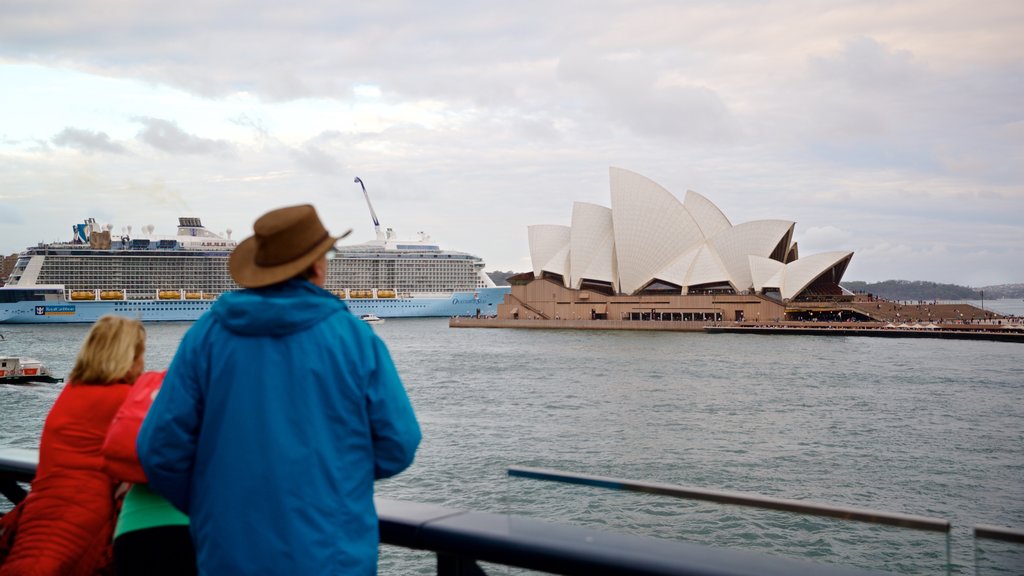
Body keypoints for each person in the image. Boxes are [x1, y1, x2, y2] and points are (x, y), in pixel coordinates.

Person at [137, 204, 421, 575]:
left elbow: (158, 448)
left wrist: (212, 504)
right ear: (317, 265)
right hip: (333, 554)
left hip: (229, 554)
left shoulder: (205, 336)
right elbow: (399, 442)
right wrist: (336, 482)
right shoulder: (353, 338)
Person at [0, 315, 145, 576]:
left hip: (40, 511)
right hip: (83, 520)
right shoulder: (123, 398)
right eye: (140, 356)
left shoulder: (72, 392)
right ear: (127, 357)